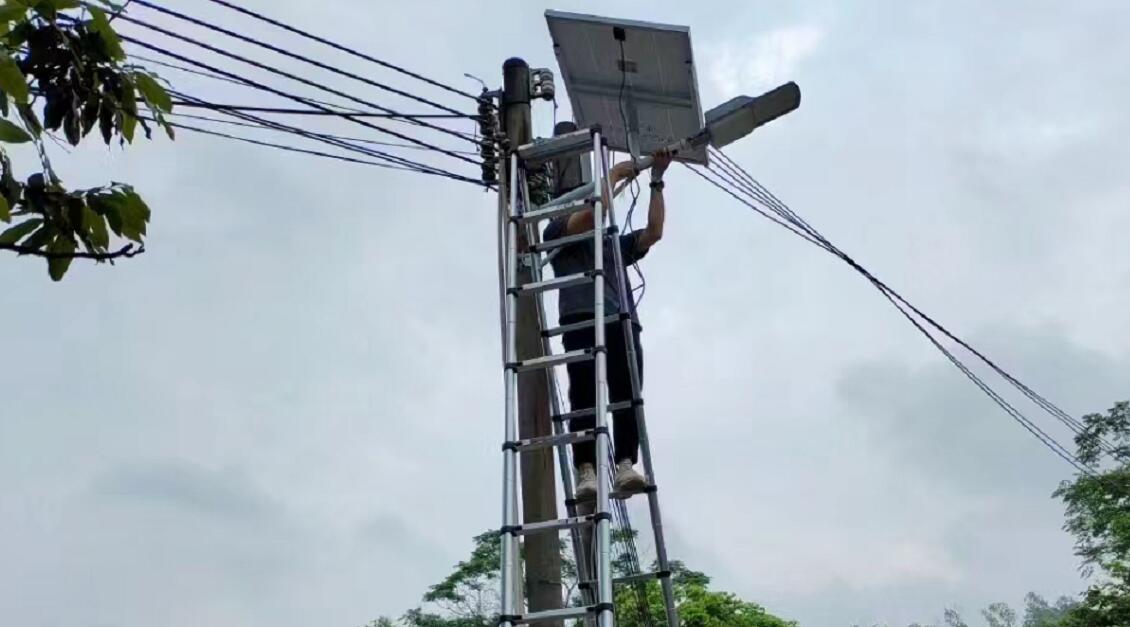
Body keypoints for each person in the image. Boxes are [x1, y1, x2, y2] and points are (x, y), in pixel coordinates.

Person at [542, 148, 672, 500]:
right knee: (584, 394)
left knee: (626, 393)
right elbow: (591, 216)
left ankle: (625, 463)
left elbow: (654, 233)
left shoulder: (612, 244)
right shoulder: (558, 233)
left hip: (619, 317)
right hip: (581, 318)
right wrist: (613, 175)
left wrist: (656, 181)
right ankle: (586, 469)